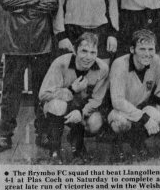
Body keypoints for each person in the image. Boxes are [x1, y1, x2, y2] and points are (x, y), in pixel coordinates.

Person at [0, 0, 58, 153]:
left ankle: (42, 133)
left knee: (42, 89)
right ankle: (4, 136)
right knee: (11, 91)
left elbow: (52, 2)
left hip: (41, 40)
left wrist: (22, 5)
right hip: (15, 40)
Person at [39, 33, 109, 163]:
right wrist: (71, 90)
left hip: (82, 108)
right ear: (75, 51)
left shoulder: (103, 69)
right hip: (58, 106)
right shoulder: (60, 63)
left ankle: (78, 145)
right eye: (84, 51)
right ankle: (54, 149)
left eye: (93, 52)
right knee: (58, 106)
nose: (88, 57)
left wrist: (81, 111)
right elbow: (43, 94)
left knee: (95, 122)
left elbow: (97, 99)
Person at [108, 29, 160, 160]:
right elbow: (117, 101)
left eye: (151, 49)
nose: (147, 54)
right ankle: (116, 145)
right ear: (132, 49)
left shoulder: (156, 61)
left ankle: (137, 143)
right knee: (121, 123)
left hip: (140, 107)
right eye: (142, 49)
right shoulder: (119, 64)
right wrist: (144, 118)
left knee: (159, 116)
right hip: (118, 110)